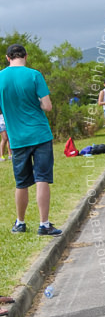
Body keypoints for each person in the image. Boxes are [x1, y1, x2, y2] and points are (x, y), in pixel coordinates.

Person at [0, 44, 62, 236]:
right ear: (25, 56)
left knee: (22, 182)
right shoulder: (34, 75)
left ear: (7, 57)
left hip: (17, 137)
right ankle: (44, 224)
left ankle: (20, 222)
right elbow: (48, 106)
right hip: (40, 134)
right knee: (42, 178)